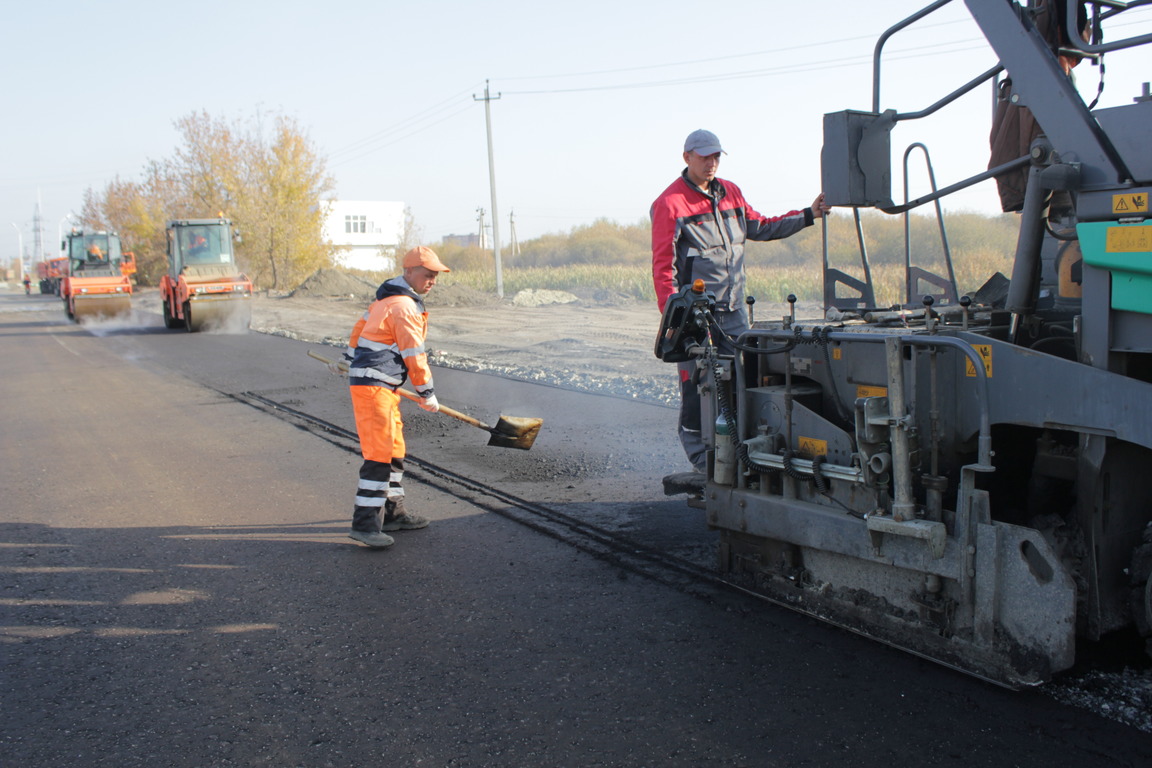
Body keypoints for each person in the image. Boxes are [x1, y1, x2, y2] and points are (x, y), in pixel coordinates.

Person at [651, 128, 830, 474]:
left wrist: (809, 215)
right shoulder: (670, 203)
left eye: (716, 156)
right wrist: (674, 320)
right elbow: (663, 267)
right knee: (698, 385)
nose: (711, 162)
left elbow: (761, 226)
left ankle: (736, 452)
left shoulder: (730, 193)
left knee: (741, 380)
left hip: (733, 313)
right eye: (704, 156)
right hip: (697, 316)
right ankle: (702, 459)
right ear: (687, 157)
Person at [342, 246, 451, 548]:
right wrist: (426, 392)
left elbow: (359, 328)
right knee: (379, 455)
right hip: (374, 387)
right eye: (428, 274)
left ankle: (393, 514)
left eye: (435, 276)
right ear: (409, 271)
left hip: (383, 386)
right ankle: (365, 525)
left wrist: (348, 358)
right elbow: (414, 354)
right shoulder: (403, 306)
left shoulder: (384, 300)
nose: (432, 281)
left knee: (393, 450)